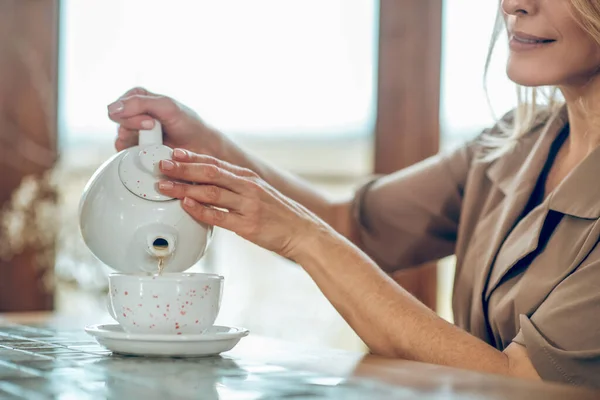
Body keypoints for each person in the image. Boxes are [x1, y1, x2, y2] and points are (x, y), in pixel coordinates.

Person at [106, 0, 600, 388]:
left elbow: (522, 383)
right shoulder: (515, 144)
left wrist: (302, 237)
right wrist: (210, 148)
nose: (514, 3)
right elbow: (355, 227)